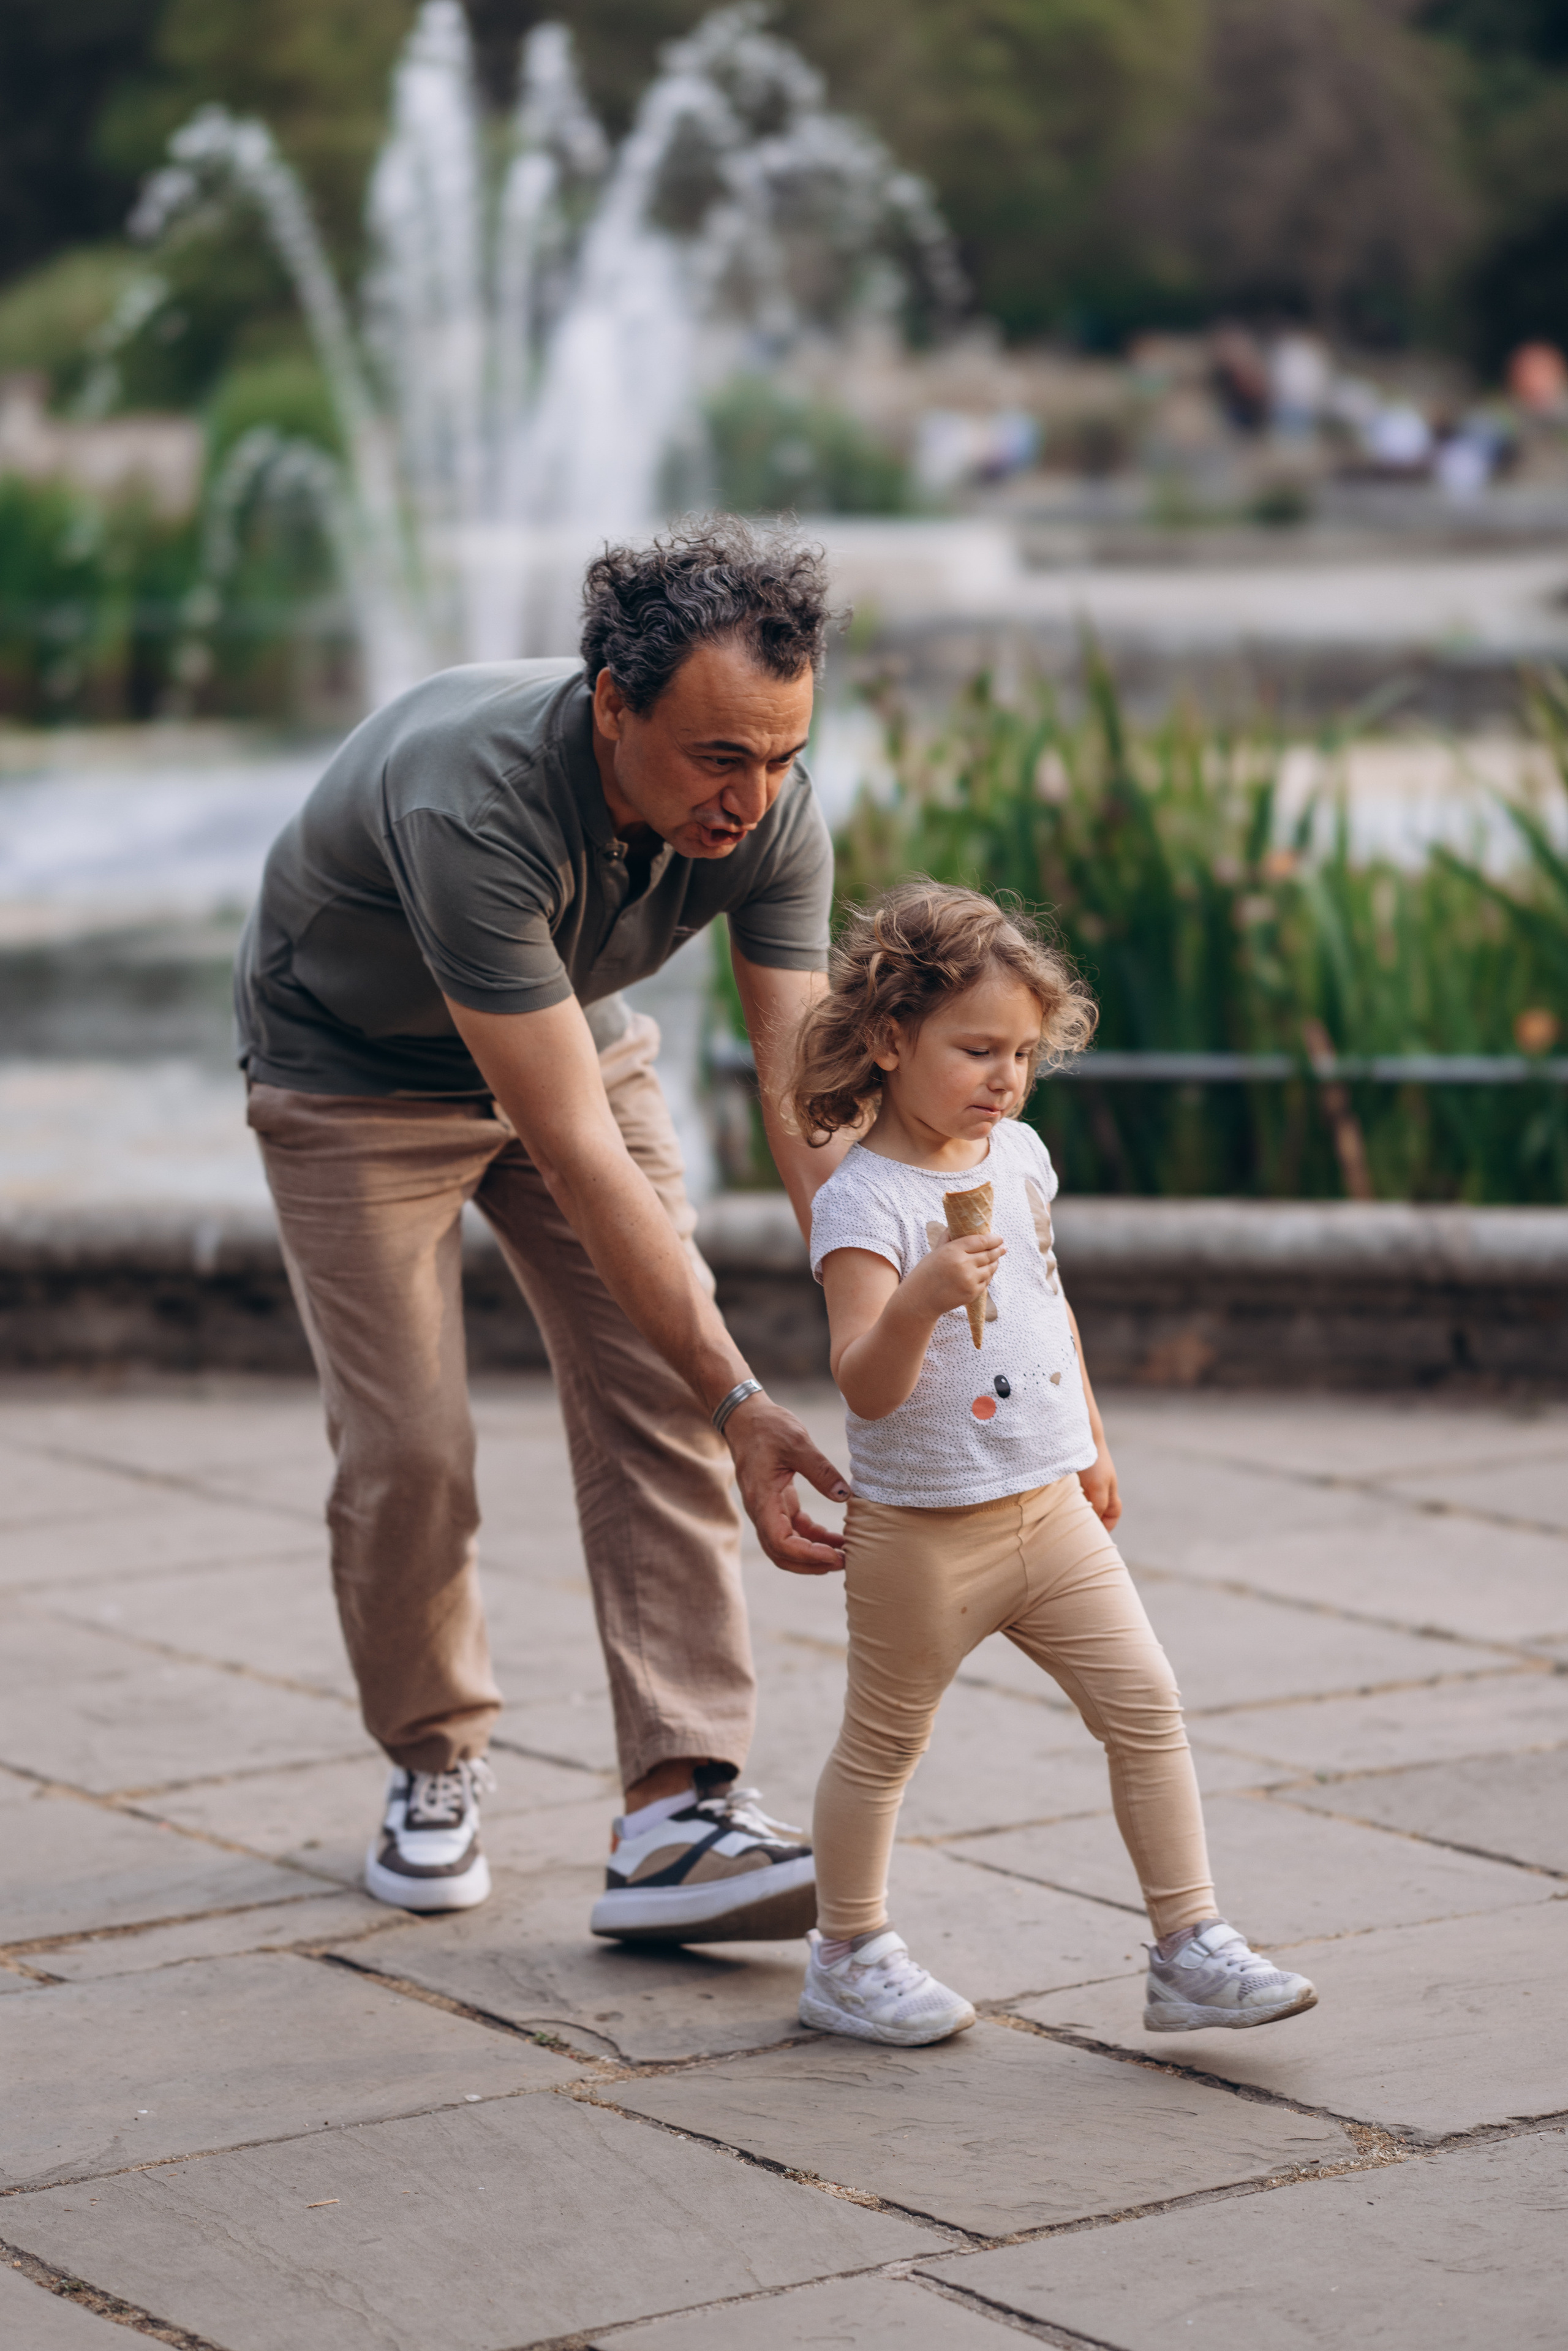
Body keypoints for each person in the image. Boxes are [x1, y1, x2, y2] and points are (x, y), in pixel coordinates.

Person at [236, 519, 859, 1939]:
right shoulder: (476, 804)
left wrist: (889, 1317)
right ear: (612, 705)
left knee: (659, 1393)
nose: (752, 798)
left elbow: (801, 1099)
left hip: (565, 1033)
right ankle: (432, 1757)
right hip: (351, 1074)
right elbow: (575, 1155)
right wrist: (748, 1401)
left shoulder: (773, 808)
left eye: (782, 755)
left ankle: (677, 1810)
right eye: (718, 757)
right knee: (409, 1447)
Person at [789, 882, 1320, 2043]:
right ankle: (846, 1953)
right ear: (890, 1038)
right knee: (883, 1745)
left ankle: (1189, 1945)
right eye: (978, 1050)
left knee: (1147, 1705)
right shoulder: (864, 1201)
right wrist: (921, 1300)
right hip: (924, 1533)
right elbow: (863, 1382)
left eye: (1024, 1054)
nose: (1006, 1077)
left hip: (1050, 1511)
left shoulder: (1021, 1156)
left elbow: (1047, 1302)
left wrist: (1091, 1437)